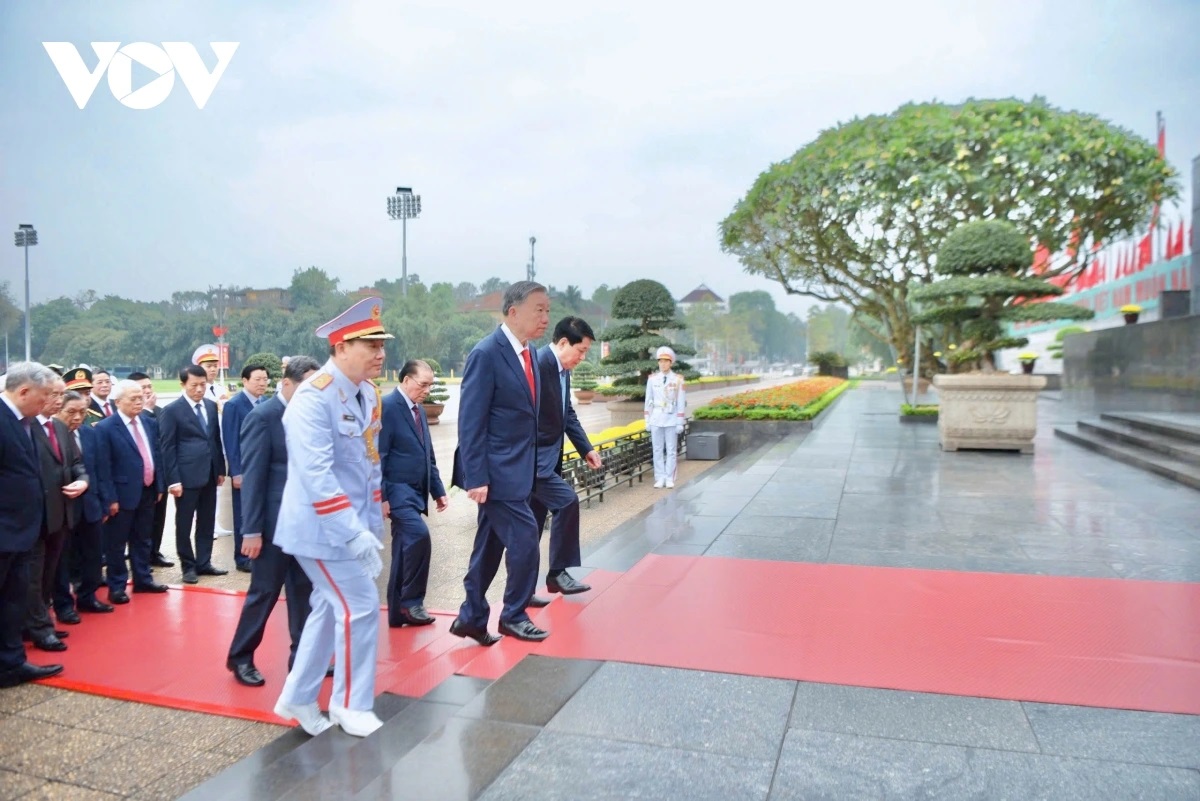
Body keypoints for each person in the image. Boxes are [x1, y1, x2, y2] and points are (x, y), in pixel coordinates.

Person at [273, 297, 390, 738]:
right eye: (370, 345)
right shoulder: (313, 397)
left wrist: (371, 525)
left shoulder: (364, 393)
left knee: (327, 606)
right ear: (341, 346)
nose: (380, 354)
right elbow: (316, 475)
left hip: (349, 526)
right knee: (360, 607)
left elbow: (368, 462)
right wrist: (352, 534)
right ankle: (349, 704)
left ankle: (299, 696)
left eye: (382, 346)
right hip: (321, 530)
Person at [450, 281, 550, 645]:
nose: (545, 317)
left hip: (519, 471)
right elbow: (470, 422)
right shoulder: (486, 353)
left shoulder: (530, 353)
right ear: (513, 312)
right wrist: (476, 477)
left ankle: (472, 616)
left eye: (547, 310)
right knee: (525, 538)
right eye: (538, 309)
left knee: (489, 546)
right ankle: (513, 614)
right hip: (494, 473)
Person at [226, 356, 321, 687]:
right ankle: (241, 657)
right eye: (305, 387)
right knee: (264, 593)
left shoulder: (309, 416)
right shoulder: (263, 418)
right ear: (287, 383)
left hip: (304, 523)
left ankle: (304, 659)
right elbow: (253, 478)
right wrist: (250, 531)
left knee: (304, 591)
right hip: (271, 527)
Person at [528, 317, 603, 599]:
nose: (582, 358)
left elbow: (566, 414)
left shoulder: (563, 369)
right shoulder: (538, 365)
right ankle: (557, 572)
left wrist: (586, 449)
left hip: (548, 461)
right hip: (533, 463)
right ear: (562, 343)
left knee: (531, 530)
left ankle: (522, 594)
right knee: (567, 501)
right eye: (580, 351)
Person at [0, 362, 65, 687]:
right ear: (23, 391)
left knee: (14, 601)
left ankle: (11, 663)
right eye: (44, 396)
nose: (47, 404)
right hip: (4, 531)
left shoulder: (23, 421)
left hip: (22, 532)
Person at [379, 359, 448, 628]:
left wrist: (438, 491)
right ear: (406, 380)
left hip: (416, 491)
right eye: (423, 384)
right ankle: (412, 601)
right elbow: (379, 456)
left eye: (430, 385)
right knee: (419, 535)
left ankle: (397, 613)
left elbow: (427, 454)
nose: (427, 390)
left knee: (402, 551)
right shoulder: (387, 407)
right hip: (397, 491)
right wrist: (381, 496)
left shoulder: (418, 409)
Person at [93, 379, 169, 603]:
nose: (139, 401)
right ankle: (117, 585)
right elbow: (103, 467)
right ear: (118, 402)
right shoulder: (106, 428)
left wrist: (159, 485)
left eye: (141, 397)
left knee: (143, 538)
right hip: (121, 494)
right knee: (116, 543)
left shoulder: (148, 421)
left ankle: (143, 579)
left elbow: (157, 455)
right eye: (133, 398)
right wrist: (110, 498)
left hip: (147, 490)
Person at [26, 376, 87, 651]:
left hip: (61, 514)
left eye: (61, 395)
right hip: (36, 517)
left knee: (49, 573)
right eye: (54, 395)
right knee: (33, 577)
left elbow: (76, 463)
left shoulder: (59, 428)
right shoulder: (26, 429)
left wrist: (82, 480)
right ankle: (38, 627)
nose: (59, 400)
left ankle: (40, 623)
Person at [159, 365, 227, 583]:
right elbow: (167, 447)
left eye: (203, 385)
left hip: (209, 473)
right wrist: (173, 480)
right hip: (186, 477)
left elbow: (215, 439)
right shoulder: (172, 410)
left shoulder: (209, 406)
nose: (199, 389)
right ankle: (188, 565)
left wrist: (220, 469)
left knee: (207, 521)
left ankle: (204, 562)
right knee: (185, 522)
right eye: (194, 385)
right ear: (183, 385)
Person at [52, 389, 114, 622]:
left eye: (82, 412)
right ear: (58, 410)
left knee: (93, 555)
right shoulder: (52, 435)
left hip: (91, 505)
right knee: (62, 559)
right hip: (63, 508)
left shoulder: (90, 434)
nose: (77, 418)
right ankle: (63, 605)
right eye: (71, 412)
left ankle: (88, 596)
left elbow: (100, 469)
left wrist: (105, 502)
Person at [222, 363, 271, 573]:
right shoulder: (234, 405)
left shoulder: (266, 402)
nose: (262, 383)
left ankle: (259, 554)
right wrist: (236, 472)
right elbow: (231, 441)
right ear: (244, 381)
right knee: (243, 513)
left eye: (265, 379)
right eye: (257, 379)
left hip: (264, 468)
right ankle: (242, 557)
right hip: (244, 469)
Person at [128, 372, 172, 568]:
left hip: (157, 474)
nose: (147, 391)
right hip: (134, 479)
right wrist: (145, 409)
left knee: (158, 517)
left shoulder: (160, 412)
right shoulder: (127, 413)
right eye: (141, 389)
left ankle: (155, 551)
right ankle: (140, 557)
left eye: (148, 387)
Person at [644, 346, 686, 488]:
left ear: (671, 362)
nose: (663, 364)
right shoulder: (652, 379)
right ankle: (659, 477)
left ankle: (669, 477)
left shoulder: (678, 380)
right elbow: (648, 401)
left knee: (671, 450)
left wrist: (680, 421)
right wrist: (647, 419)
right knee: (657, 450)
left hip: (671, 418)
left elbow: (680, 402)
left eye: (666, 361)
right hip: (656, 418)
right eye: (660, 361)